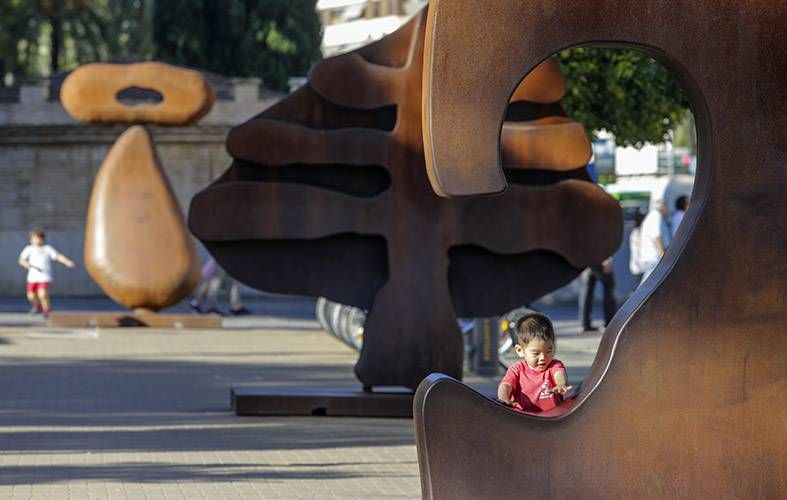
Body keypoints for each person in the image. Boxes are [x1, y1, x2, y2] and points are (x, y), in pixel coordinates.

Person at [496, 313, 572, 413]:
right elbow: (506, 385)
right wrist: (503, 398)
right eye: (536, 353)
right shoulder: (517, 370)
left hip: (552, 418)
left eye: (548, 351)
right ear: (520, 350)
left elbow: (559, 374)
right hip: (524, 417)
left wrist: (561, 384)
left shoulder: (554, 365)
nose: (543, 357)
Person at [18, 228, 76, 317]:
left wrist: (67, 262)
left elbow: (58, 256)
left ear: (42, 239)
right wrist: (26, 264)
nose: (36, 241)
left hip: (44, 276)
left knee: (42, 294)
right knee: (31, 296)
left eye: (37, 238)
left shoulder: (47, 249)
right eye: (34, 239)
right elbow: (21, 260)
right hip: (32, 277)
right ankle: (37, 306)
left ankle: (46, 310)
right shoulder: (29, 249)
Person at [578, 257, 617, 332]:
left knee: (587, 289)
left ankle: (584, 323)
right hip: (599, 258)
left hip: (586, 259)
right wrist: (607, 259)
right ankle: (609, 323)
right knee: (609, 285)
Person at [639, 199, 671, 282]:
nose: (668, 209)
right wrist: (662, 255)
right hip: (654, 257)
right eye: (666, 206)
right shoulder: (656, 216)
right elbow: (656, 236)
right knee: (648, 284)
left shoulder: (653, 216)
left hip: (652, 257)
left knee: (649, 283)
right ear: (662, 207)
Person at [629, 210, 646, 286]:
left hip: (640, 265)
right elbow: (639, 248)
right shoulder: (637, 232)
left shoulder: (638, 231)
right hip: (639, 265)